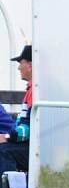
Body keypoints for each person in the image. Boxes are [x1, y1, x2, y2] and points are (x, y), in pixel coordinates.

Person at [0, 46, 33, 175]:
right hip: (29, 144)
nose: (19, 68)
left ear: (30, 65)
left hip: (37, 149)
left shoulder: (37, 90)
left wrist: (7, 137)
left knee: (3, 150)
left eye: (21, 63)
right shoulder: (32, 89)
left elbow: (31, 128)